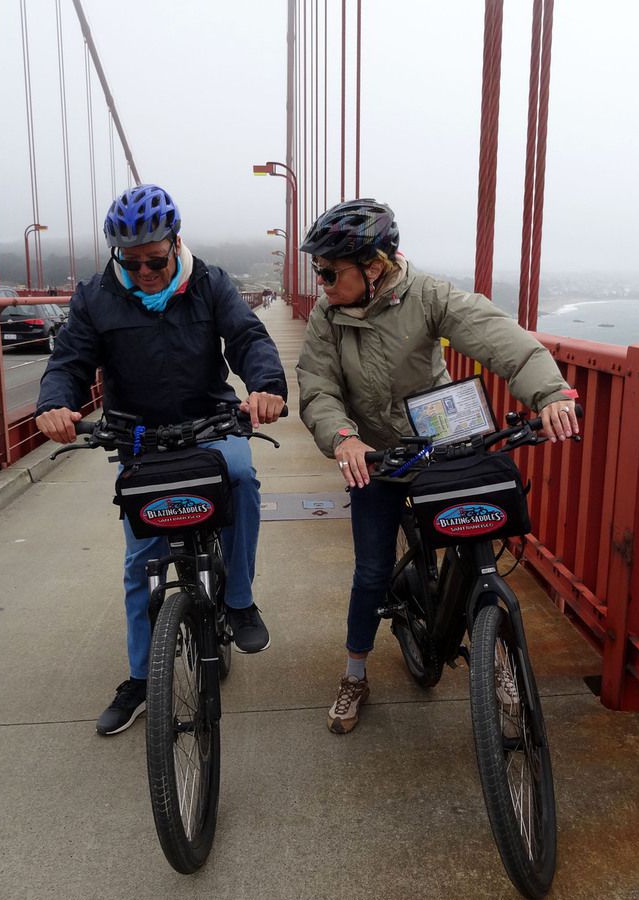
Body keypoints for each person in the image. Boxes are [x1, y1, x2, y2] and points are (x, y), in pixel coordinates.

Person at [295, 198, 580, 735]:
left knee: (477, 536)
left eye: (330, 271)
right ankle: (355, 672)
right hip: (374, 452)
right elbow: (318, 387)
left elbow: (500, 341)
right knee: (373, 571)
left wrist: (551, 394)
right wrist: (344, 438)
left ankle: (495, 653)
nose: (321, 281)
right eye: (317, 270)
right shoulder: (326, 317)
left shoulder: (428, 296)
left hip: (436, 440)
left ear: (374, 266)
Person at [36, 184, 288, 736]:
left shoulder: (210, 283)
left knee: (242, 475)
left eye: (154, 260)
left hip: (210, 422)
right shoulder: (96, 295)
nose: (144, 272)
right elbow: (70, 359)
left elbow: (248, 338)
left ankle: (240, 600)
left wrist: (266, 386)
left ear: (176, 243)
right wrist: (55, 404)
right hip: (139, 435)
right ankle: (140, 679)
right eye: (131, 262)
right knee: (141, 561)